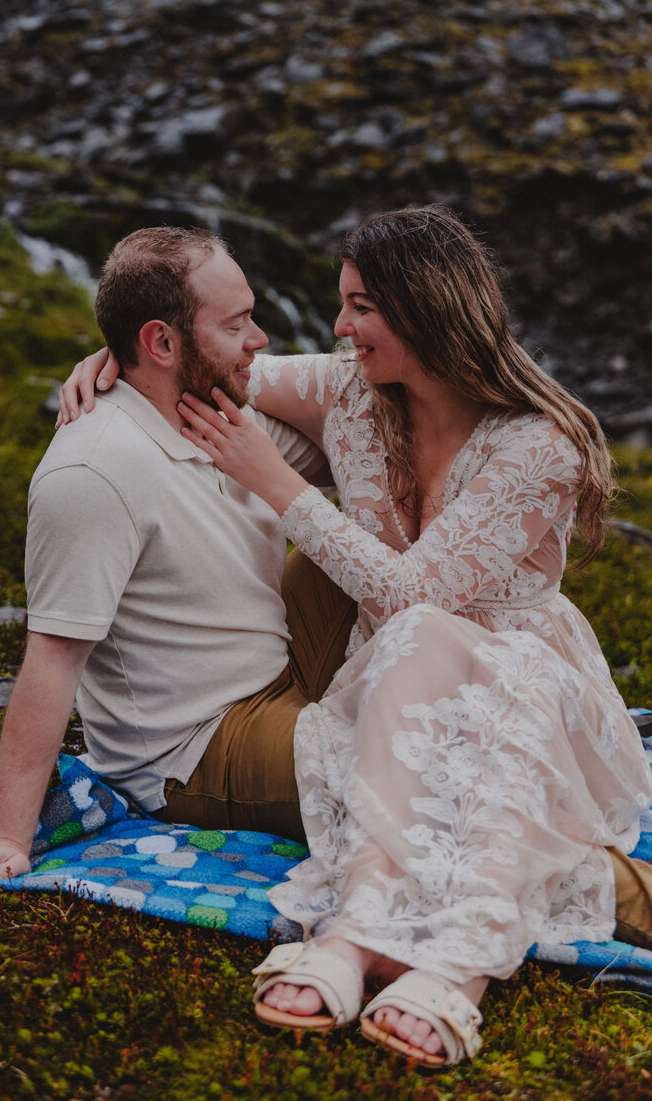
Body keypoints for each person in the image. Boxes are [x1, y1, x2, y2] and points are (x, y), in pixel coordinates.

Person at [60, 206, 652, 1067]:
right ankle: (379, 939)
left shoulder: (540, 445)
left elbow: (415, 597)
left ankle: (435, 959)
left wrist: (276, 484)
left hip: (522, 679)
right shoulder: (346, 387)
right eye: (343, 304)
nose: (340, 327)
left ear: (429, 309)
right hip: (391, 672)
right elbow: (201, 357)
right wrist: (114, 354)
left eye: (361, 306)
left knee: (458, 692)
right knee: (412, 680)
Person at [0, 225, 356, 881]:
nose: (260, 340)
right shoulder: (94, 471)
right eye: (238, 323)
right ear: (160, 342)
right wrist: (9, 838)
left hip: (280, 663)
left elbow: (381, 400)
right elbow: (53, 659)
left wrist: (122, 354)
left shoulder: (219, 410)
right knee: (417, 772)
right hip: (200, 749)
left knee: (385, 537)